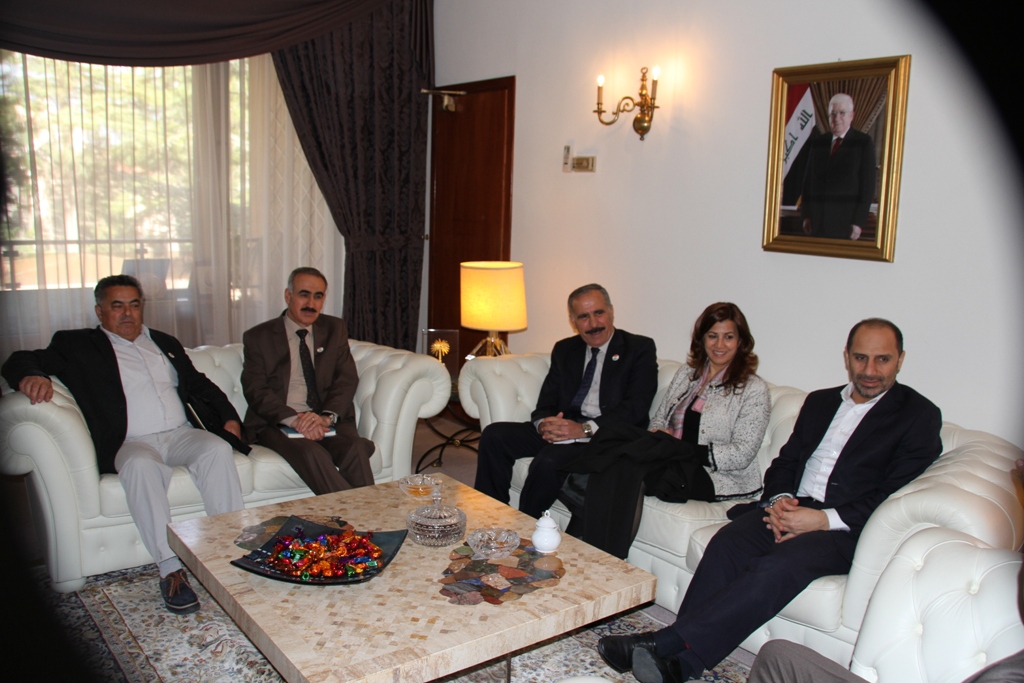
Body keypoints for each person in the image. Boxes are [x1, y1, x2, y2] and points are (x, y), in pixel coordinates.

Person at [597, 318, 943, 683]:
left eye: (882, 359)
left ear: (900, 359)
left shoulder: (918, 416)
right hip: (791, 507)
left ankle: (663, 643)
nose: (870, 370)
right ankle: (680, 665)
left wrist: (822, 519)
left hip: (844, 529)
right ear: (846, 357)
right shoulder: (821, 402)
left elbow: (891, 494)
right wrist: (780, 501)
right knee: (727, 543)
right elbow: (786, 461)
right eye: (861, 358)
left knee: (776, 566)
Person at [1, 274, 244, 614]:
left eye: (134, 305)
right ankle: (170, 569)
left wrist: (229, 417)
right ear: (100, 311)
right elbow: (20, 357)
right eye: (117, 306)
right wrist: (31, 375)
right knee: (141, 466)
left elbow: (198, 383)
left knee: (216, 449)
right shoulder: (78, 345)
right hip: (131, 440)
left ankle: (228, 554)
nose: (128, 314)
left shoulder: (164, 341)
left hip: (180, 433)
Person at [563, 302, 771, 558]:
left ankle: (606, 558)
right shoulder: (688, 374)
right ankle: (584, 547)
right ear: (702, 339)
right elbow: (658, 421)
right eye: (712, 336)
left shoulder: (752, 389)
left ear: (741, 341)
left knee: (628, 466)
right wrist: (663, 440)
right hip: (670, 456)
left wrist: (681, 448)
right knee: (613, 435)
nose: (719, 345)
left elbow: (741, 455)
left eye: (728, 337)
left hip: (714, 474)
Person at [472, 283, 658, 518]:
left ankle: (525, 526)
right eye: (583, 317)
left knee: (549, 460)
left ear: (611, 311)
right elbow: (546, 401)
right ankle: (489, 517)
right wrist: (545, 425)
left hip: (604, 437)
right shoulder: (565, 349)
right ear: (573, 321)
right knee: (494, 435)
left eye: (599, 313)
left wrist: (584, 429)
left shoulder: (639, 348)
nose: (593, 324)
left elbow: (636, 408)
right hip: (565, 428)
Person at [241, 267, 374, 495]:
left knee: (355, 448)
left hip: (323, 418)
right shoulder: (259, 337)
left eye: (318, 296)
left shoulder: (334, 329)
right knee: (313, 453)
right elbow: (256, 390)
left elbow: (346, 379)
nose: (311, 304)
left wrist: (325, 417)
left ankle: (366, 514)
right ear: (288, 295)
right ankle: (359, 514)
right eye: (304, 295)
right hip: (278, 423)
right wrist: (295, 420)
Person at [801, 93, 877, 240]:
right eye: (833, 113)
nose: (837, 118)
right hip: (817, 223)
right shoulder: (818, 143)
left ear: (851, 116)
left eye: (842, 113)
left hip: (846, 224)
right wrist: (806, 215)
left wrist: (859, 222)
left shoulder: (863, 143)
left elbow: (867, 187)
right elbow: (807, 183)